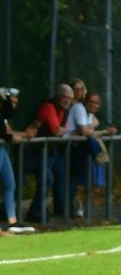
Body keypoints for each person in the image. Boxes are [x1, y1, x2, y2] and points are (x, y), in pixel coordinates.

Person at [25, 84, 74, 222]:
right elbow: (57, 131)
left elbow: (64, 130)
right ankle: (29, 212)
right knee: (20, 183)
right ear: (59, 96)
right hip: (32, 151)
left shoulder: (64, 111)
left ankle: (36, 211)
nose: (67, 101)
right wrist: (64, 131)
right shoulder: (48, 106)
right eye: (65, 97)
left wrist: (64, 131)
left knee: (49, 179)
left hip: (47, 150)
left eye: (70, 99)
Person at [66, 90, 117, 216]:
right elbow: (85, 131)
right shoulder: (79, 108)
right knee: (72, 179)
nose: (94, 105)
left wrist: (95, 130)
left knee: (78, 179)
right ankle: (69, 208)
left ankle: (74, 207)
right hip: (68, 147)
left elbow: (90, 130)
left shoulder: (88, 113)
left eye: (97, 103)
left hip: (77, 147)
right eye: (91, 102)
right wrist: (104, 132)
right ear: (85, 102)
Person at [0, 87, 35, 233]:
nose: (12, 103)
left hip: (1, 149)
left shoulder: (2, 114)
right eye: (10, 99)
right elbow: (5, 134)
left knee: (10, 184)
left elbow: (6, 127)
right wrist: (11, 138)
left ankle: (12, 221)